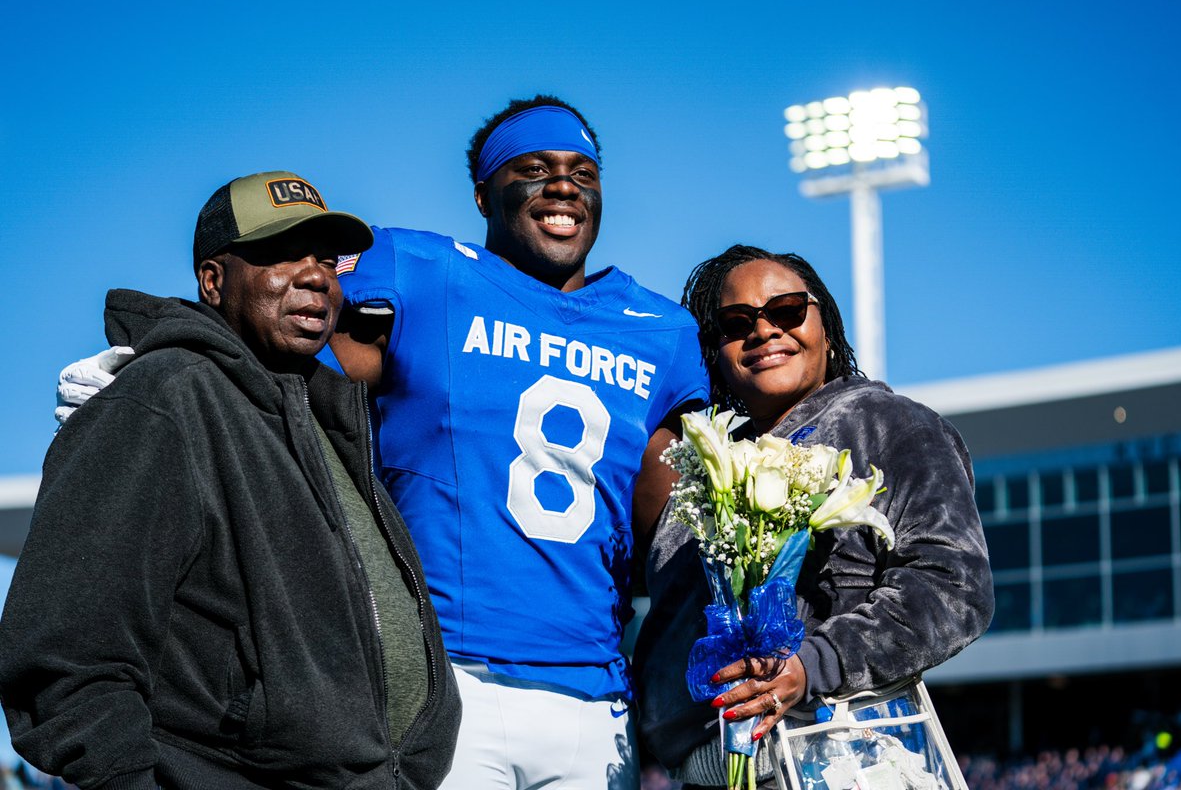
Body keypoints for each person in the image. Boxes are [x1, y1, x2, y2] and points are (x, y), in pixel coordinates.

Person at [53, 98, 710, 789]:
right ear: (484, 193)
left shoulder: (662, 331)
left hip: (595, 698)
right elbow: (275, 328)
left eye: (582, 171)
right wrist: (157, 363)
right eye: (534, 168)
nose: (562, 184)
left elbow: (674, 539)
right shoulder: (421, 269)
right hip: (447, 683)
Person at [3, 171, 461, 789]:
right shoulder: (166, 399)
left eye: (327, 260)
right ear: (213, 281)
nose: (317, 276)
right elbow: (65, 661)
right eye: (281, 254)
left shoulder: (326, 416)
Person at [634, 245, 994, 788]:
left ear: (825, 323)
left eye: (786, 310)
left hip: (840, 753)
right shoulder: (703, 460)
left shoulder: (888, 424)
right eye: (736, 324)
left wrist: (813, 665)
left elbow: (954, 586)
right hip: (707, 772)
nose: (763, 332)